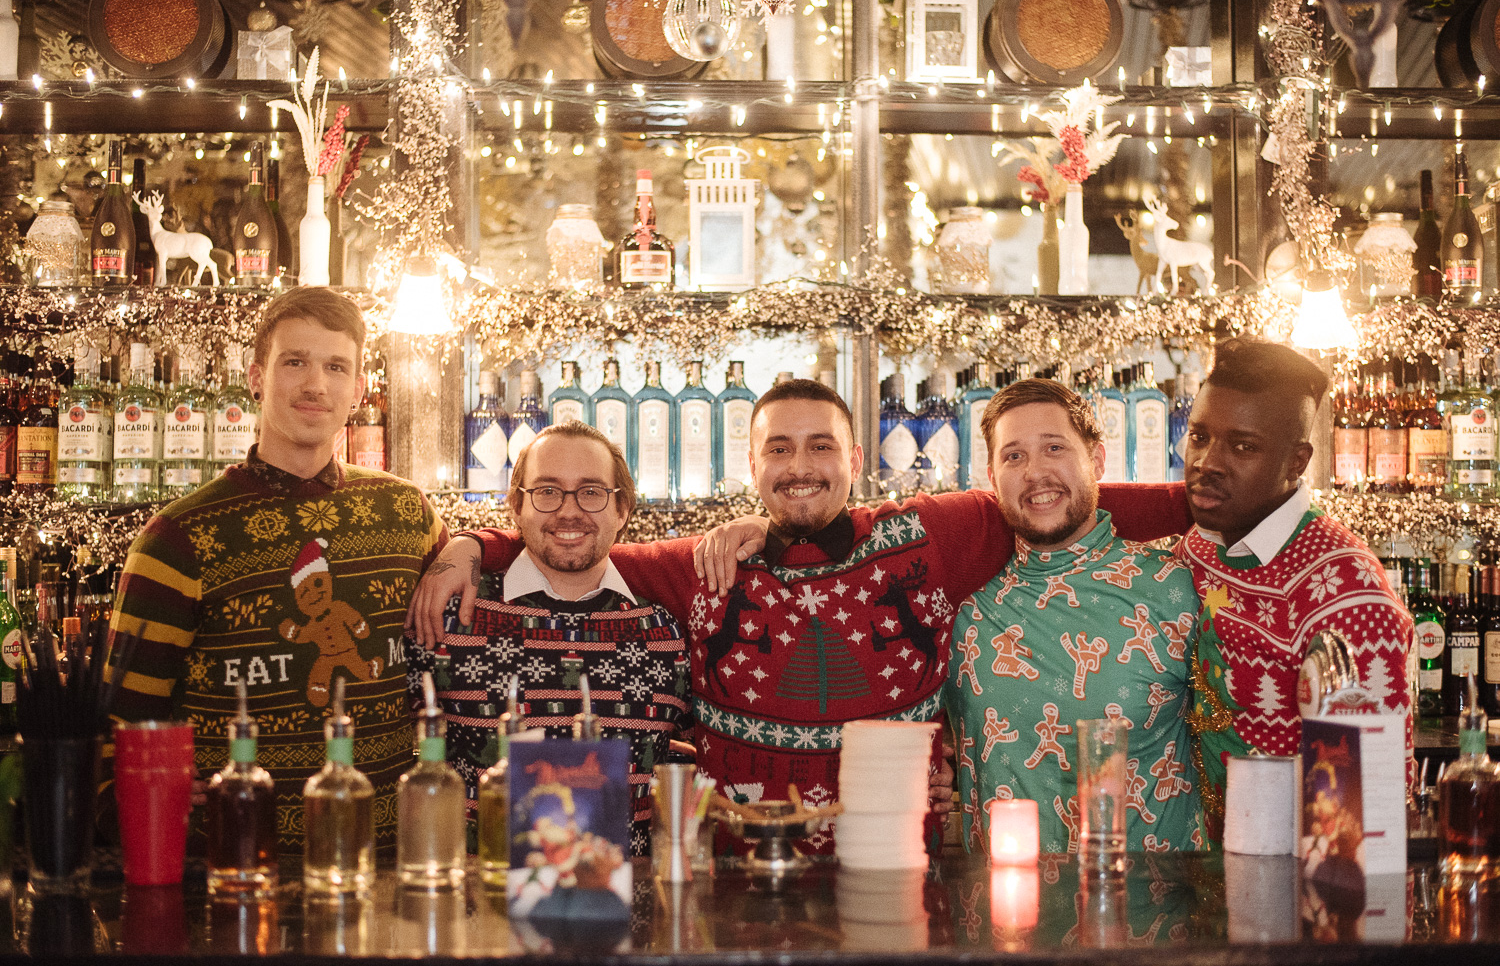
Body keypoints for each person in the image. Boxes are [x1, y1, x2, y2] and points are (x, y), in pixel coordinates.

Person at [408, 379, 1190, 851]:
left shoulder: (931, 535)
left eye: (821, 446)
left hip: (893, 870)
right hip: (743, 879)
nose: (800, 464)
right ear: (751, 465)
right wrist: (471, 548)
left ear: (856, 460)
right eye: (778, 448)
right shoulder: (705, 564)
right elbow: (570, 537)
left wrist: (1202, 500)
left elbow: (1057, 495)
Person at [106, 286, 448, 857]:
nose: (316, 384)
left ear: (359, 389)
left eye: (336, 367)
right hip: (240, 873)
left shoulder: (409, 513)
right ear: (257, 376)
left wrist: (471, 546)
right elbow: (118, 727)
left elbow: (493, 595)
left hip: (389, 867)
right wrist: (148, 794)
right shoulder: (177, 538)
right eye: (296, 362)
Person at [406, 420, 692, 855]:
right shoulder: (452, 614)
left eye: (592, 492)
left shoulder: (665, 635)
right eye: (547, 491)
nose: (569, 510)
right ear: (516, 506)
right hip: (481, 907)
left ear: (623, 509)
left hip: (629, 911)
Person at [944, 379, 1202, 855]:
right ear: (991, 476)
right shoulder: (966, 614)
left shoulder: (1176, 588)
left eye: (1055, 448)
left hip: (1153, 912)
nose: (1035, 473)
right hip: (1000, 919)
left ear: (1098, 461)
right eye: (1013, 456)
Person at [1176, 338, 1413, 836]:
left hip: (1289, 891)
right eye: (1199, 437)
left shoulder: (1347, 593)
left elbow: (1364, 813)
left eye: (1243, 447)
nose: (1207, 462)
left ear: (1296, 462)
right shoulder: (1199, 546)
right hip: (1196, 882)